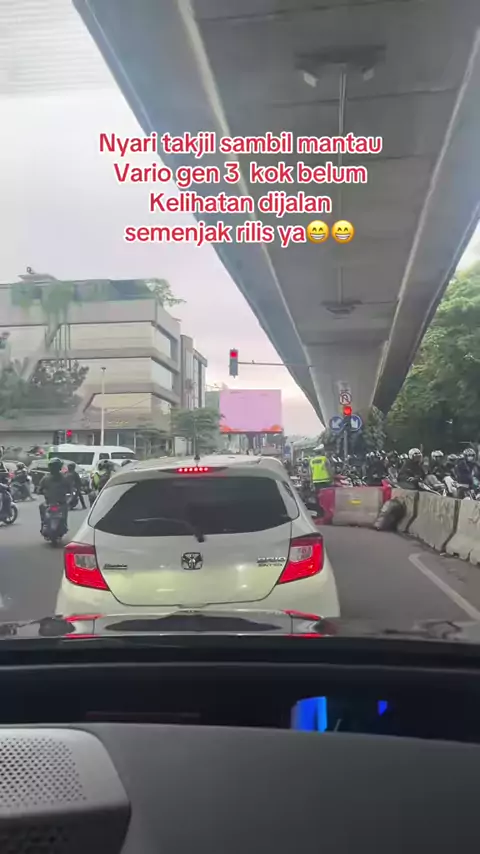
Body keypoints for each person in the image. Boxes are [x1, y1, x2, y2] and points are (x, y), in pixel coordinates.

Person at [38, 457, 69, 532]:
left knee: (42, 507)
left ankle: (43, 524)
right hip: (58, 502)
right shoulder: (64, 477)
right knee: (65, 509)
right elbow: (69, 488)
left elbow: (39, 489)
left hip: (51, 502)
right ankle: (63, 524)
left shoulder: (46, 478)